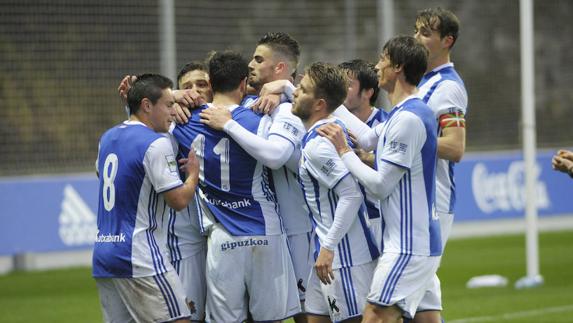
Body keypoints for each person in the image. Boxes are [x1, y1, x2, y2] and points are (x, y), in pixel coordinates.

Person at [172, 51, 301, 322]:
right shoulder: (262, 117)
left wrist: (173, 100)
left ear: (210, 83)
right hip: (265, 231)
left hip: (223, 237)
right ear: (243, 83)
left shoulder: (182, 123)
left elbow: (147, 123)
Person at [319, 35, 440, 323]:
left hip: (409, 244)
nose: (377, 65)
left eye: (383, 59)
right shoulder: (401, 114)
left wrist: (343, 150)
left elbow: (381, 185)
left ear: (397, 67)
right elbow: (366, 136)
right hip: (410, 242)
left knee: (374, 314)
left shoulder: (409, 119)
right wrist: (322, 97)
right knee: (423, 318)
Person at [200, 32, 313, 323]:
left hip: (299, 228)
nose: (250, 64)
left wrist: (285, 90)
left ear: (280, 68)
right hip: (266, 227)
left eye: (258, 59)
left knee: (307, 313)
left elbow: (275, 156)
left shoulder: (290, 110)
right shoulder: (257, 104)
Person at [93, 74, 200, 323]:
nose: (173, 112)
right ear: (147, 105)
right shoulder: (156, 143)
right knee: (180, 319)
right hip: (140, 255)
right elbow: (179, 200)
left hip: (104, 255)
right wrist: (193, 175)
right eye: (169, 104)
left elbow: (102, 172)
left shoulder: (107, 137)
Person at [292, 62, 379, 323]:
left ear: (319, 104)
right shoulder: (333, 125)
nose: (295, 92)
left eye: (302, 89)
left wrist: (328, 248)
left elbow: (350, 195)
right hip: (327, 257)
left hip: (345, 257)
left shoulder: (320, 144)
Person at [413, 8, 468, 323]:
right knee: (418, 287)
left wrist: (404, 144)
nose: (416, 38)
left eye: (425, 33)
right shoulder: (421, 81)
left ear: (447, 40)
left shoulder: (447, 87)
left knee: (414, 282)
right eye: (416, 31)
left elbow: (455, 147)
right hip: (415, 195)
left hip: (435, 197)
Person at [338, 59, 386, 248]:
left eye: (348, 85)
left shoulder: (387, 125)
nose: (340, 89)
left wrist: (367, 158)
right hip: (346, 221)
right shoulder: (331, 122)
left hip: (378, 219)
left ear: (368, 92)